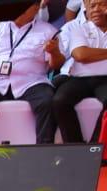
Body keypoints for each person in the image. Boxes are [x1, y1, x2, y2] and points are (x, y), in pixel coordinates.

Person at [0, 2, 58, 145]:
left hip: (31, 81)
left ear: (36, 8)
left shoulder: (49, 31)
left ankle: (44, 149)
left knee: (47, 101)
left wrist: (54, 52)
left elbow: (54, 65)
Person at [53, 0, 107, 142]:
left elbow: (86, 54)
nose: (96, 10)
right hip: (79, 79)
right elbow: (80, 55)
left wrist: (93, 53)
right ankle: (75, 146)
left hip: (105, 80)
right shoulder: (78, 27)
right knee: (60, 101)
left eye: (102, 5)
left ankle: (95, 148)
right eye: (92, 6)